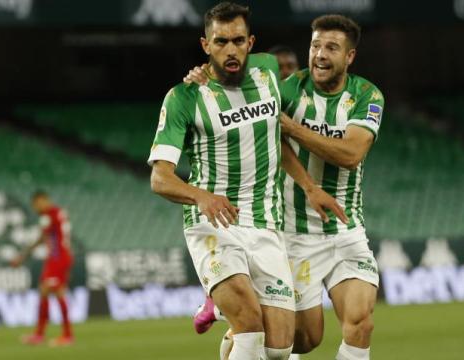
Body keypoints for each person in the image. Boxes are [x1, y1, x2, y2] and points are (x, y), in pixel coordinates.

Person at [149, 3, 347, 360]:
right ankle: (232, 321)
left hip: (265, 225)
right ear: (205, 45)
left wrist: (308, 186)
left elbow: (275, 138)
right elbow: (160, 178)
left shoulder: (268, 71)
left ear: (251, 42)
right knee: (250, 326)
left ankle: (232, 341)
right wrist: (201, 198)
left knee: (280, 349)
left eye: (238, 40)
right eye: (220, 41)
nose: (230, 49)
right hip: (214, 225)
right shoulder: (184, 97)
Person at [188, 14, 384, 360]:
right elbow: (258, 122)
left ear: (349, 57)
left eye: (331, 48)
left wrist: (292, 128)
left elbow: (352, 153)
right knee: (303, 340)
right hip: (295, 233)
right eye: (315, 45)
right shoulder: (288, 88)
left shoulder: (367, 95)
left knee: (361, 322)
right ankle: (233, 326)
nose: (320, 54)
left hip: (346, 228)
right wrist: (201, 76)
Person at [11, 191, 74, 347]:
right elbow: (49, 237)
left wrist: (22, 256)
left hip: (58, 258)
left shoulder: (50, 215)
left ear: (44, 200)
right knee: (46, 291)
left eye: (37, 203)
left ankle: (65, 336)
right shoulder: (57, 213)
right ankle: (43, 334)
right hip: (57, 258)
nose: (36, 208)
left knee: (52, 291)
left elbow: (42, 238)